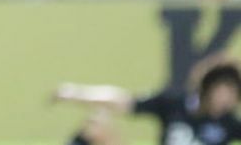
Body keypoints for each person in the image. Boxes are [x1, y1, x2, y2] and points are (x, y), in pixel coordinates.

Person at [54, 55, 241, 145]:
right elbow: (123, 101)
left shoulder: (229, 124)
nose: (226, 100)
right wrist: (76, 93)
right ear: (208, 87)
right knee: (97, 127)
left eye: (233, 95)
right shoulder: (173, 104)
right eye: (223, 91)